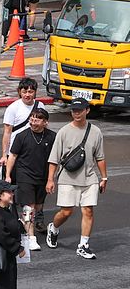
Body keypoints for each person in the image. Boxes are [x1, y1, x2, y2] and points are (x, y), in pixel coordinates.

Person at [45, 99, 106, 259]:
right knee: (66, 212)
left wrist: (104, 177)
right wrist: (50, 179)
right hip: (67, 177)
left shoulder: (96, 132)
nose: (76, 113)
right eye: (74, 110)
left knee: (88, 210)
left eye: (79, 110)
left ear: (87, 110)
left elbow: (100, 157)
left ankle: (83, 245)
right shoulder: (64, 132)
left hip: (90, 178)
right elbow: (54, 159)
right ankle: (54, 227)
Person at [4, 107, 55, 251]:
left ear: (45, 122)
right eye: (31, 119)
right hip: (24, 175)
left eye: (37, 119)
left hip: (42, 177)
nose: (33, 122)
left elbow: (56, 158)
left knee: (38, 206)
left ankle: (24, 223)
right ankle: (31, 237)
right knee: (29, 207)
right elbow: (12, 156)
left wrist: (51, 178)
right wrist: (8, 175)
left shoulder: (52, 137)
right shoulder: (22, 136)